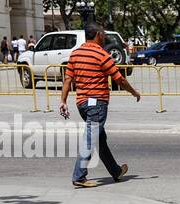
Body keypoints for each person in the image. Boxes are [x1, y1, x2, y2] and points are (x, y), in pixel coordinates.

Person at [59, 24, 140, 188]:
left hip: (82, 104)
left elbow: (67, 79)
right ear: (97, 35)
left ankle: (116, 171)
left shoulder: (75, 54)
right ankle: (79, 176)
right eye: (103, 34)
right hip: (97, 104)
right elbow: (119, 79)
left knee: (100, 139)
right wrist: (134, 92)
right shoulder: (101, 55)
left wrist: (63, 101)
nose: (104, 37)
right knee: (90, 139)